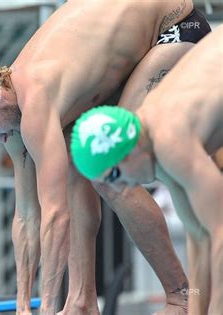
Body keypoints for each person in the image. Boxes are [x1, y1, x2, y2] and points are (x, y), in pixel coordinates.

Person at [0, 0, 211, 313]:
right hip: (129, 44)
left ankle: (180, 296)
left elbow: (56, 215)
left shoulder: (34, 103)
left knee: (109, 164)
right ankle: (81, 300)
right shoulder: (10, 111)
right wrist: (22, 306)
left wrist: (45, 307)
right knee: (76, 159)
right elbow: (26, 216)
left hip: (176, 27)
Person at [70, 26, 223, 314]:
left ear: (129, 150)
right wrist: (198, 305)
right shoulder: (154, 143)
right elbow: (199, 236)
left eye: (114, 176)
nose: (118, 188)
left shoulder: (169, 140)